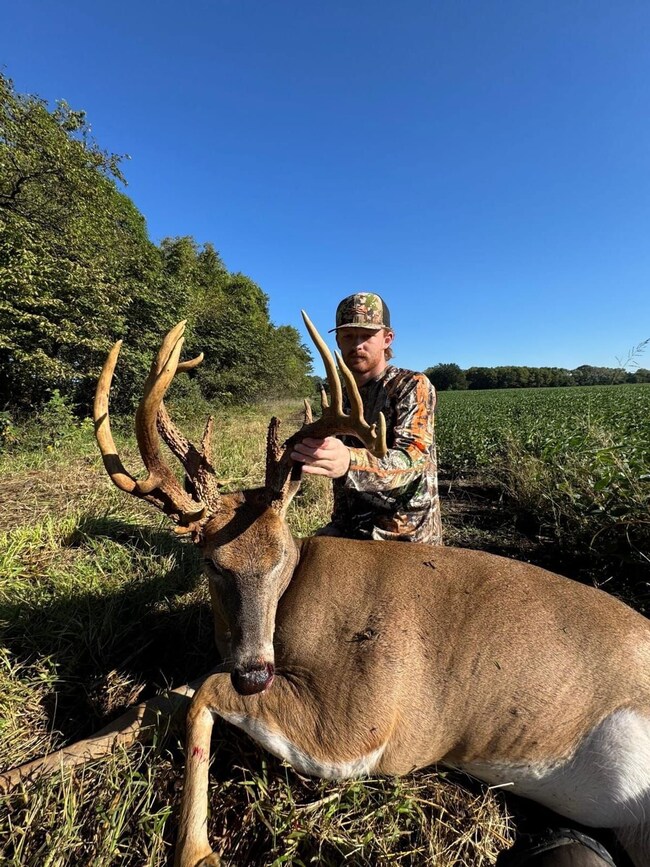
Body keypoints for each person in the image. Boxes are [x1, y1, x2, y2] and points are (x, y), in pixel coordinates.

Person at [291, 292, 442, 545]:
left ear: (387, 338)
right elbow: (342, 484)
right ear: (338, 341)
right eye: (348, 336)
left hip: (405, 539)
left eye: (366, 335)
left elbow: (413, 459)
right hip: (355, 534)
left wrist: (350, 460)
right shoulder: (345, 396)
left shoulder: (411, 385)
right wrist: (339, 524)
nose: (357, 344)